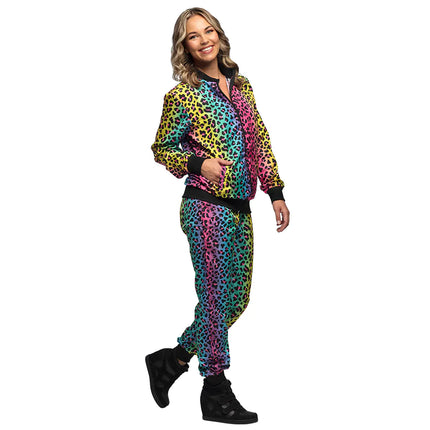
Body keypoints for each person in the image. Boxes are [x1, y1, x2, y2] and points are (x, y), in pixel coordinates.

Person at [146, 7, 290, 425]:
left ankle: (171, 360)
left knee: (234, 301)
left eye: (208, 31)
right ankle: (215, 389)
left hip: (241, 209)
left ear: (220, 36)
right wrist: (197, 163)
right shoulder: (182, 96)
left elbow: (259, 141)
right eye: (193, 36)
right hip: (205, 208)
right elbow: (161, 148)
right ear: (185, 47)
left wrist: (275, 191)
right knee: (213, 300)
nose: (204, 39)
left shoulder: (241, 86)